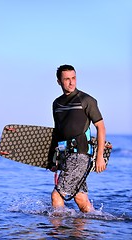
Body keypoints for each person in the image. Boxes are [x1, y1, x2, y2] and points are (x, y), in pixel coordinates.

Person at [48, 64, 106, 213]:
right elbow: (59, 132)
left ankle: (59, 232)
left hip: (80, 154)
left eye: (73, 78)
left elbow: (101, 127)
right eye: (67, 79)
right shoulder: (57, 104)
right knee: (80, 198)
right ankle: (86, 231)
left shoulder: (86, 100)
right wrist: (54, 159)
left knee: (57, 196)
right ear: (59, 82)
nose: (71, 82)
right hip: (66, 155)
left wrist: (100, 157)